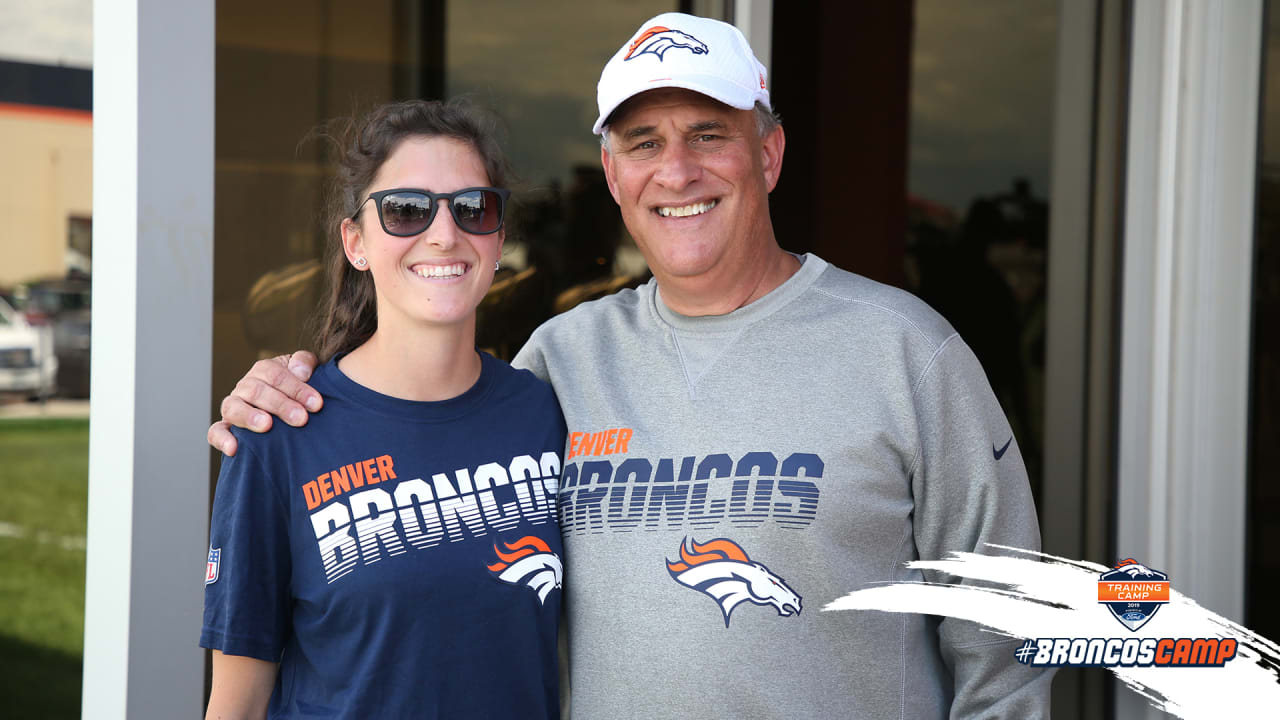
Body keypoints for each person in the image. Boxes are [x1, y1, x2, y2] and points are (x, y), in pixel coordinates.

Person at [209, 13, 1053, 719]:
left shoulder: (907, 351)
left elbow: (1005, 641)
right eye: (643, 142)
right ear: (613, 174)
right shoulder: (561, 362)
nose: (675, 170)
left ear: (769, 153)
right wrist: (284, 396)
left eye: (708, 134)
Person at [201, 99, 566, 719]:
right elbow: (236, 703)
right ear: (356, 241)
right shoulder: (282, 431)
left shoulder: (546, 413)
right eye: (405, 210)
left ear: (499, 238)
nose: (444, 233)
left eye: (473, 208)